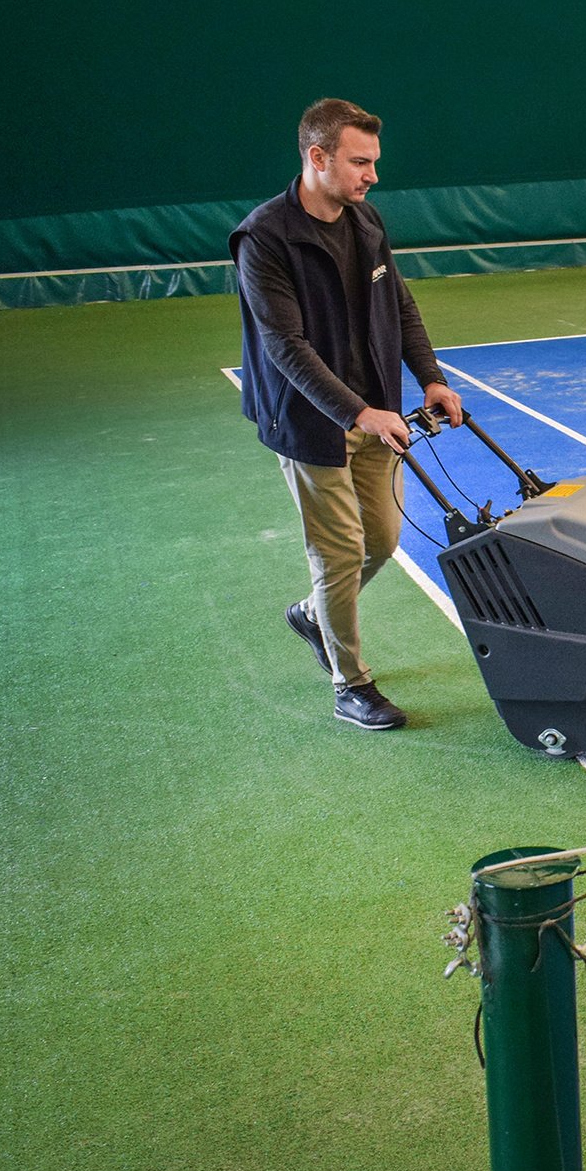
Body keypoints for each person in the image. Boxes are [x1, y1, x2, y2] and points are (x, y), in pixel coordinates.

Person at [231, 98, 463, 730]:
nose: (372, 176)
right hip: (311, 421)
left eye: (374, 163)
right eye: (360, 162)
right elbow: (284, 347)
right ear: (318, 157)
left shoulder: (366, 221)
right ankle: (350, 684)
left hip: (375, 412)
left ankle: (312, 615)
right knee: (338, 554)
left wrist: (432, 379)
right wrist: (359, 412)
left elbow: (400, 305)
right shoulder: (264, 239)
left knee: (382, 541)